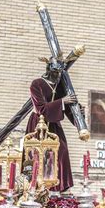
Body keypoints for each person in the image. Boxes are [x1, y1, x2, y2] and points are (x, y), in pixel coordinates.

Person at [25, 57, 85, 193]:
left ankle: (60, 187)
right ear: (49, 69)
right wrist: (62, 101)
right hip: (39, 125)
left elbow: (69, 110)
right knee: (38, 155)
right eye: (55, 72)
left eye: (59, 72)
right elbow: (41, 108)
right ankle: (36, 185)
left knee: (62, 150)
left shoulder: (60, 87)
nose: (57, 75)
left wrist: (79, 113)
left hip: (54, 125)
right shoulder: (37, 84)